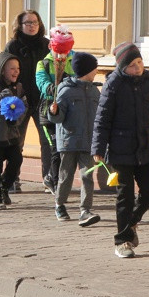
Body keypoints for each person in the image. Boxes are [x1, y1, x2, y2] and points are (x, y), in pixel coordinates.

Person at [92, 42, 149, 258]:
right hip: (119, 148)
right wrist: (98, 147)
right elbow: (102, 118)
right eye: (133, 65)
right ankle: (122, 241)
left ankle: (131, 224)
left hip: (145, 146)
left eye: (140, 63)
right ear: (123, 67)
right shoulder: (113, 84)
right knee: (124, 195)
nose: (138, 68)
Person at [47, 52, 100, 227]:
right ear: (87, 71)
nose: (96, 72)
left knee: (87, 176)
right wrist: (53, 111)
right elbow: (57, 118)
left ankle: (85, 210)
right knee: (66, 176)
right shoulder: (65, 90)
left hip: (88, 141)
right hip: (69, 141)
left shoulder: (94, 91)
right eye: (94, 69)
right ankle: (59, 204)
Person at [4, 10, 49, 192]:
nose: (32, 26)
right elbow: (4, 71)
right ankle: (12, 178)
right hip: (18, 100)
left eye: (35, 22)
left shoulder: (47, 45)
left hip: (42, 99)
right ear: (20, 25)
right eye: (28, 23)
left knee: (47, 141)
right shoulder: (13, 46)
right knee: (16, 141)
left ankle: (49, 180)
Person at [0, 51, 28, 210]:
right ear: (2, 70)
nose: (16, 71)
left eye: (17, 68)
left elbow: (24, 107)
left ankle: (3, 187)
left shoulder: (19, 87)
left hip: (12, 134)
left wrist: (18, 119)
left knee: (16, 161)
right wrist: (4, 95)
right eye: (12, 68)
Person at [35, 38, 74, 194]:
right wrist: (54, 89)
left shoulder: (75, 60)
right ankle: (58, 185)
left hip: (70, 112)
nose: (61, 54)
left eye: (64, 50)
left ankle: (51, 176)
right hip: (48, 112)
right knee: (55, 147)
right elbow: (42, 83)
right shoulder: (43, 64)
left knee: (66, 148)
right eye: (58, 50)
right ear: (51, 47)